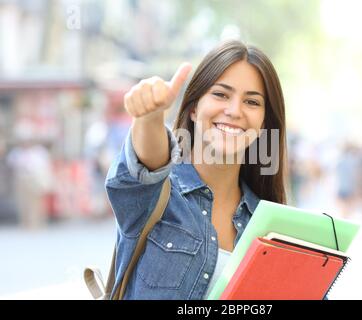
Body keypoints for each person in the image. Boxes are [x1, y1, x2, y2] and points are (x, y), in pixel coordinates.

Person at [105, 40, 288, 299]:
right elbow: (148, 164)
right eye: (221, 94)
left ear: (264, 122)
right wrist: (150, 116)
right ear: (193, 108)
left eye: (252, 102)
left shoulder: (271, 227)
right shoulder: (157, 196)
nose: (234, 111)